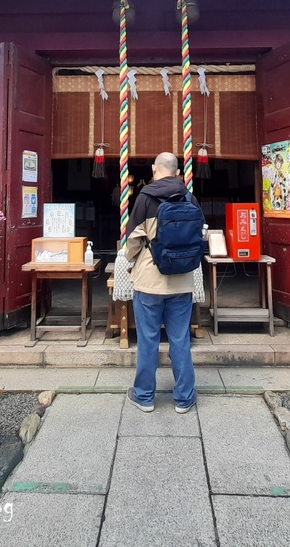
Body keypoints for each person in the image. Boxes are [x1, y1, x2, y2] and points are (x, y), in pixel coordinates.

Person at [124, 151, 200, 414]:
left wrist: (131, 258)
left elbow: (132, 241)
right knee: (180, 339)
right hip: (181, 282)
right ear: (178, 173)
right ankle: (184, 398)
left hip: (149, 282)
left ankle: (144, 396)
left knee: (147, 339)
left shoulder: (145, 198)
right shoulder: (190, 198)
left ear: (155, 171)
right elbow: (198, 237)